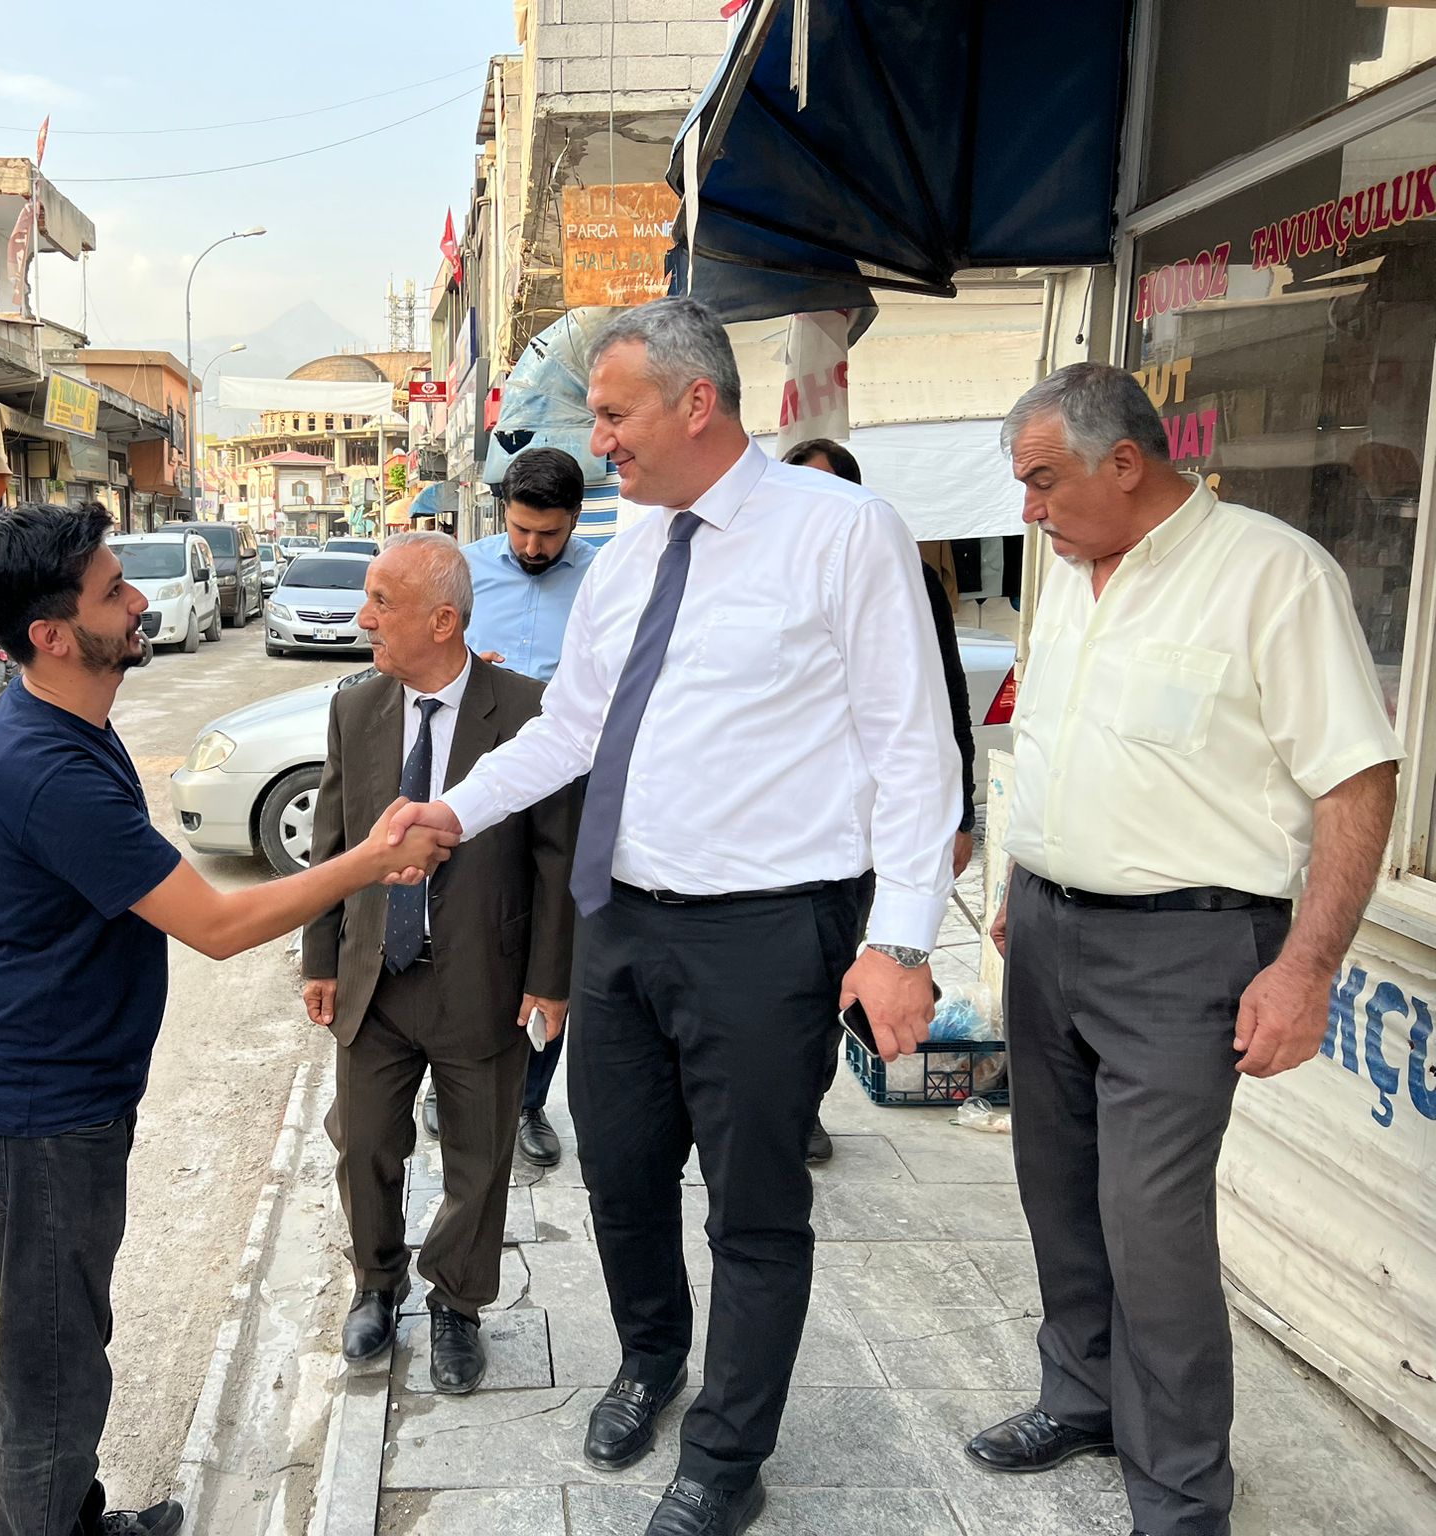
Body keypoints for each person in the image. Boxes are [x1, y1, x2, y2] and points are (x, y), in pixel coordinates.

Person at [389, 298, 959, 1536]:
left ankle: (725, 1454)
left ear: (695, 403)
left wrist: (901, 939)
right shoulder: (631, 553)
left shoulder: (842, 533)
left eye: (611, 415)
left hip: (769, 931)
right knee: (623, 1176)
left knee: (753, 1200)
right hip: (621, 927)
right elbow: (571, 731)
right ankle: (651, 1357)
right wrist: (450, 812)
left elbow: (913, 747)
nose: (597, 446)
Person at [0, 504, 450, 1536]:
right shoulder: (46, 766)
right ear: (49, 634)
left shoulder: (66, 722)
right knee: (52, 1365)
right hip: (31, 1113)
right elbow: (211, 922)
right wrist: (368, 862)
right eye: (114, 591)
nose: (138, 603)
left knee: (68, 1339)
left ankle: (73, 1520)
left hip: (62, 1099)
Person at [972, 366, 1399, 1536]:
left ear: (1126, 462)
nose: (1029, 512)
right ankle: (1080, 1399)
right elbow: (1055, 742)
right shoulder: (1065, 578)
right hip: (1048, 930)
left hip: (1187, 949)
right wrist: (1021, 875)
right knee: (1056, 1192)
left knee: (1148, 1224)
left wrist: (1304, 968)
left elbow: (1356, 781)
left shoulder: (1269, 576)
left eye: (1043, 482)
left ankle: (1176, 1494)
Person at [303, 532, 579, 1392]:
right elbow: (333, 839)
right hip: (374, 982)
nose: (364, 617)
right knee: (363, 1147)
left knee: (479, 1155)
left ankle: (457, 1301)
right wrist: (320, 959)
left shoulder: (528, 711)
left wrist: (549, 978)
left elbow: (555, 858)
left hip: (482, 981)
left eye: (383, 601)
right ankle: (376, 1285)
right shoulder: (356, 707)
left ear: (444, 620)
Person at [781, 436, 977, 1165]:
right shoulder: (766, 571)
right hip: (782, 823)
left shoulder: (903, 577)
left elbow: (943, 703)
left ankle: (804, 1105)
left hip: (865, 825)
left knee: (832, 967)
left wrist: (961, 813)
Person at [451, 443, 598, 1169]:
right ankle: (452, 1083)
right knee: (468, 933)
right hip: (481, 778)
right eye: (520, 531)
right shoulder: (466, 570)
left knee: (551, 937)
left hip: (571, 785)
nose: (533, 547)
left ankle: (530, 1102)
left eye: (549, 533)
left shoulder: (608, 578)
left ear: (575, 518)